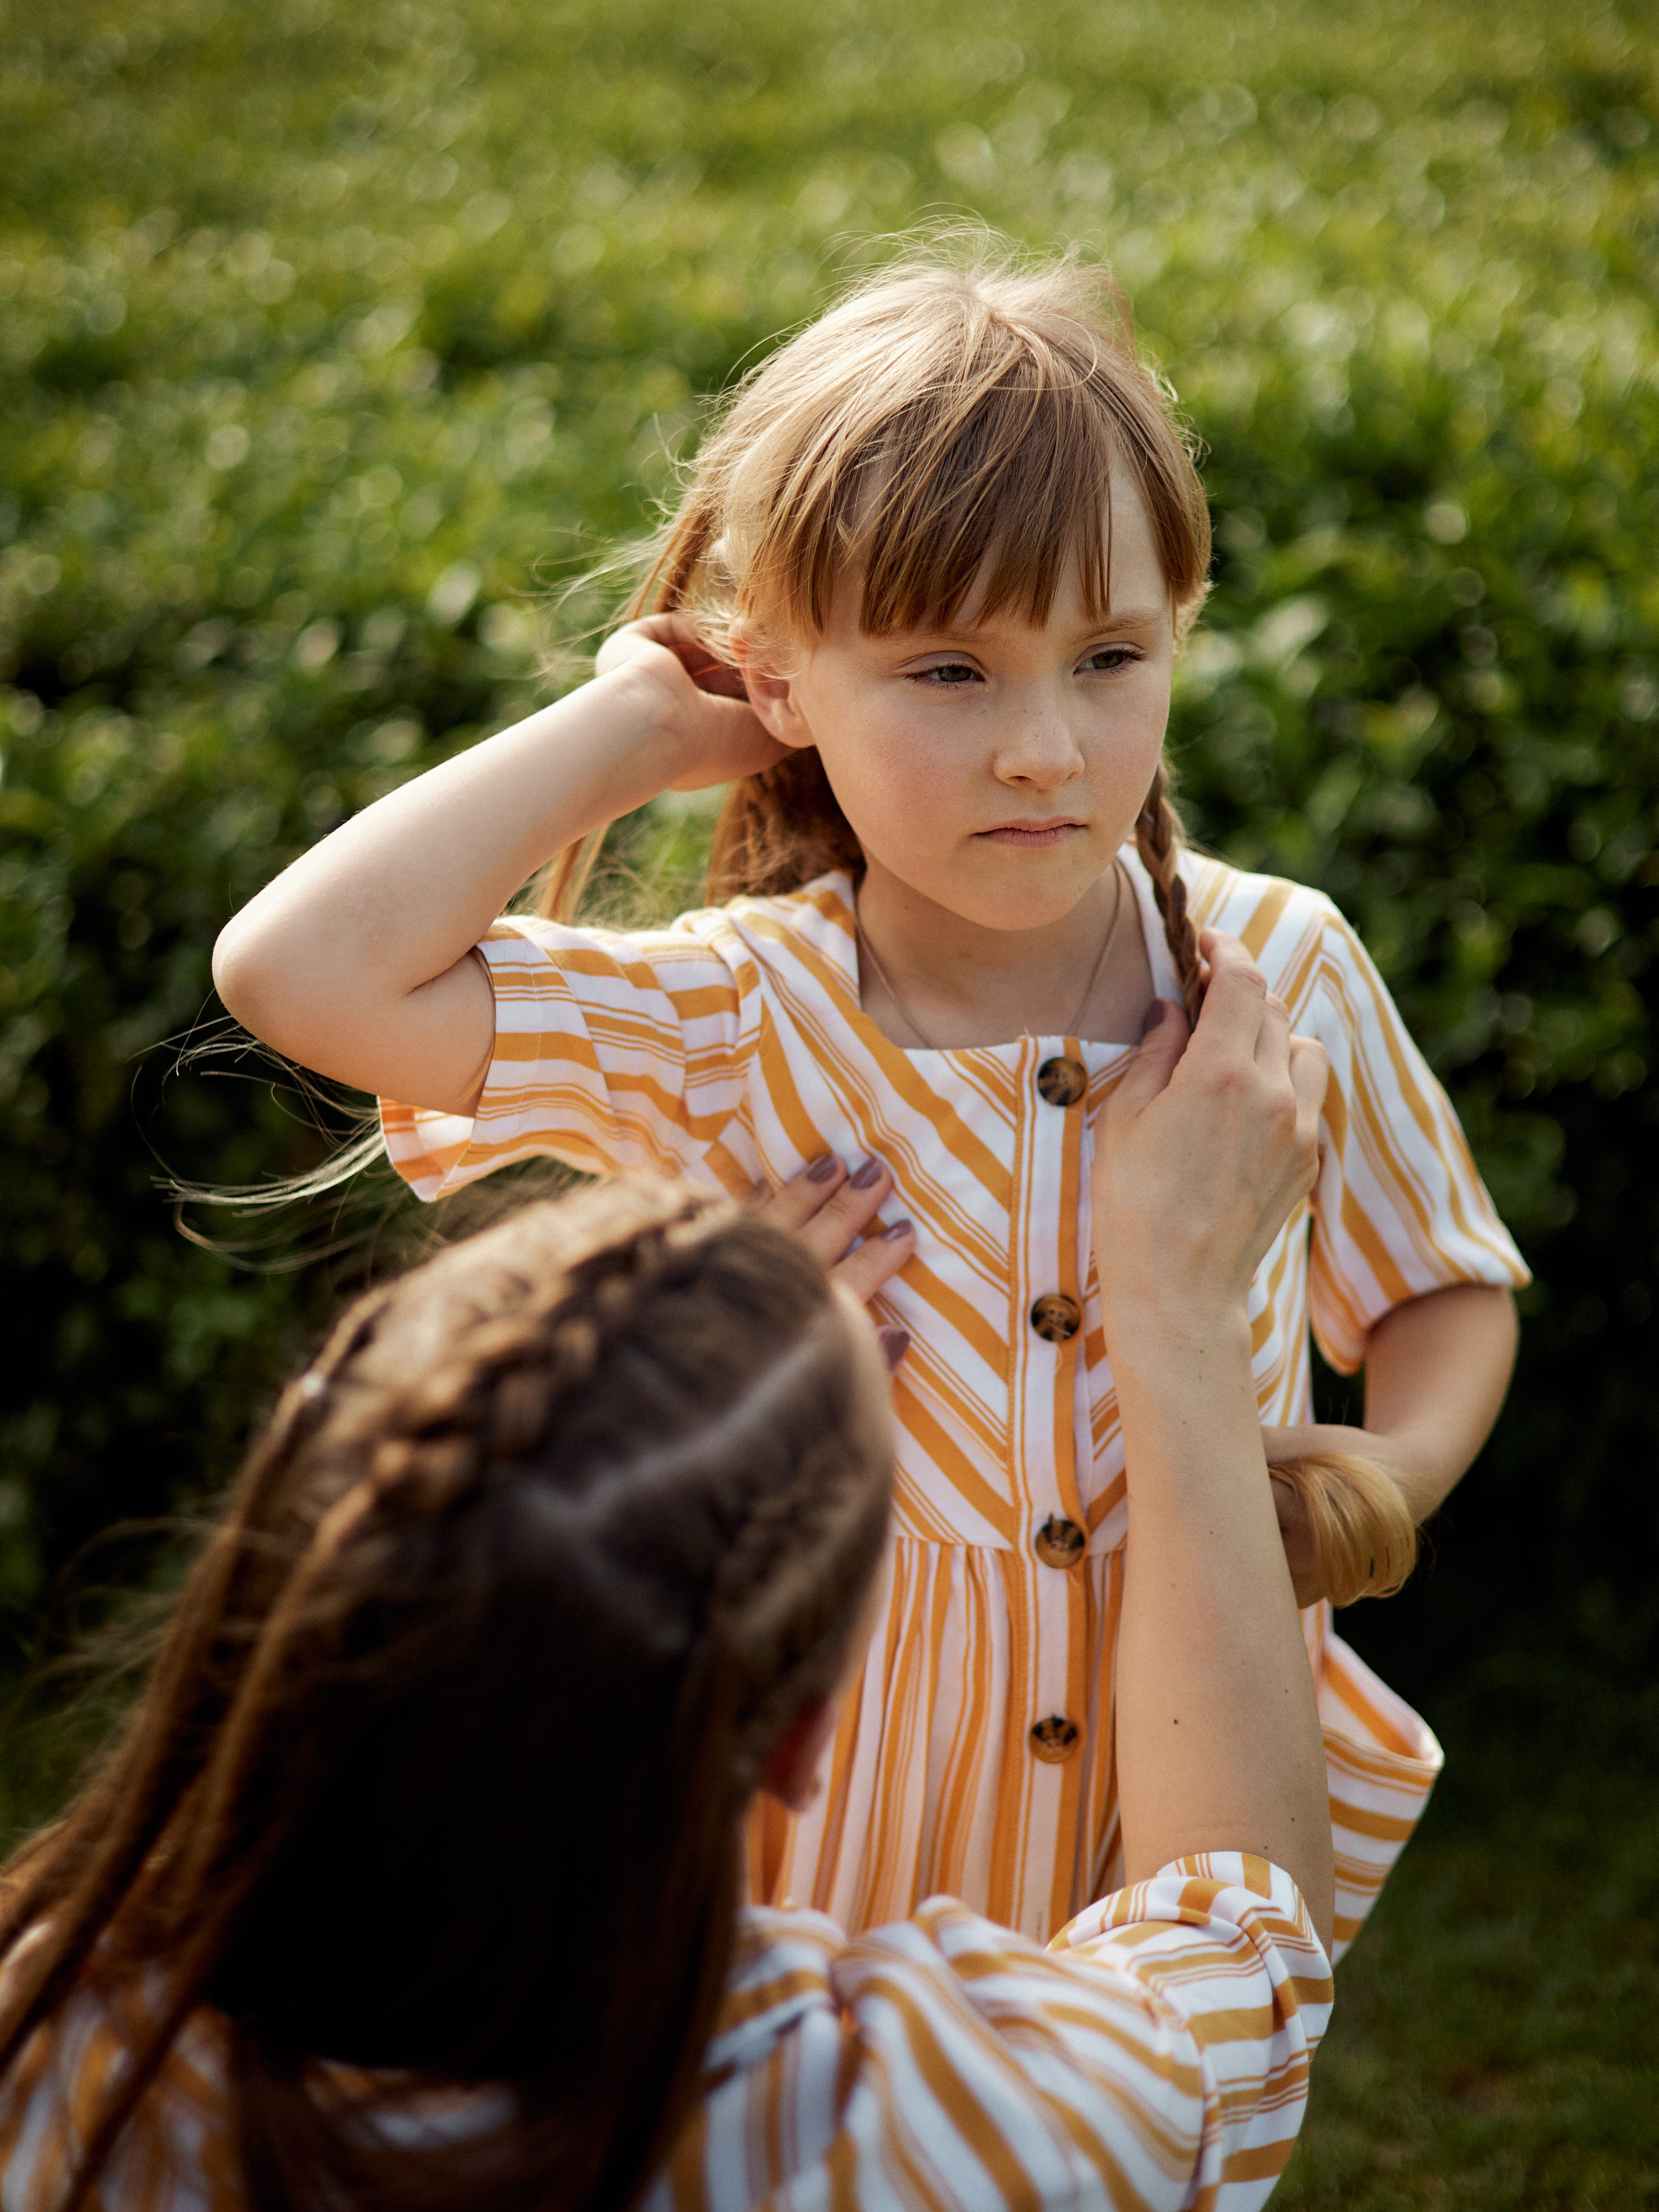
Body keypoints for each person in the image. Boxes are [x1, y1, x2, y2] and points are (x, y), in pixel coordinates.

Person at [211, 242, 1527, 1953]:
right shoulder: (732, 1017)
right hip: (825, 1851)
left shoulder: (1275, 977)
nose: (1044, 746)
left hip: (1194, 1802)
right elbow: (298, 971)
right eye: (947, 671)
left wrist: (1393, 1472)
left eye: (1111, 654)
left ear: (1184, 630)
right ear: (779, 680)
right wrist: (625, 730)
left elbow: (1440, 1281)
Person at [0, 942, 1335, 2212]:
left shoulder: (61, 2049)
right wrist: (1177, 1303)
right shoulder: (901, 2122)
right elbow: (1244, 1956)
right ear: (805, 1737)